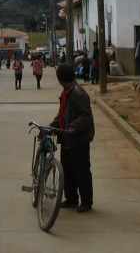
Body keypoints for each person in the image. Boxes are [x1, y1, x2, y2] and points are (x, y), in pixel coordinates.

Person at [49, 63, 95, 213]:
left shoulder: (77, 93)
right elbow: (62, 113)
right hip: (67, 138)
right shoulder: (66, 91)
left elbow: (85, 116)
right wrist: (52, 126)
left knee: (81, 171)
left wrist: (74, 127)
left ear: (61, 78)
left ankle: (86, 201)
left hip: (78, 139)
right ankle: (71, 199)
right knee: (67, 170)